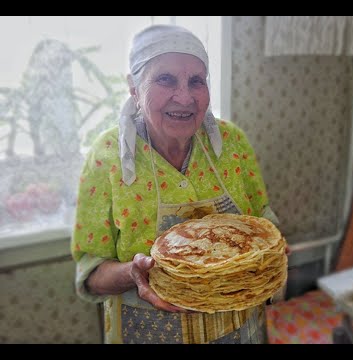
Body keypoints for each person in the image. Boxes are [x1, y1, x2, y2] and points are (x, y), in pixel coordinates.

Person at [71, 24, 281, 344]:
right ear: (133, 88)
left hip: (239, 332)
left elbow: (262, 227)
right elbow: (90, 273)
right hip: (148, 333)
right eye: (165, 79)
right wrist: (133, 273)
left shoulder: (232, 143)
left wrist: (270, 261)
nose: (185, 97)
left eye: (196, 81)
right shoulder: (107, 158)